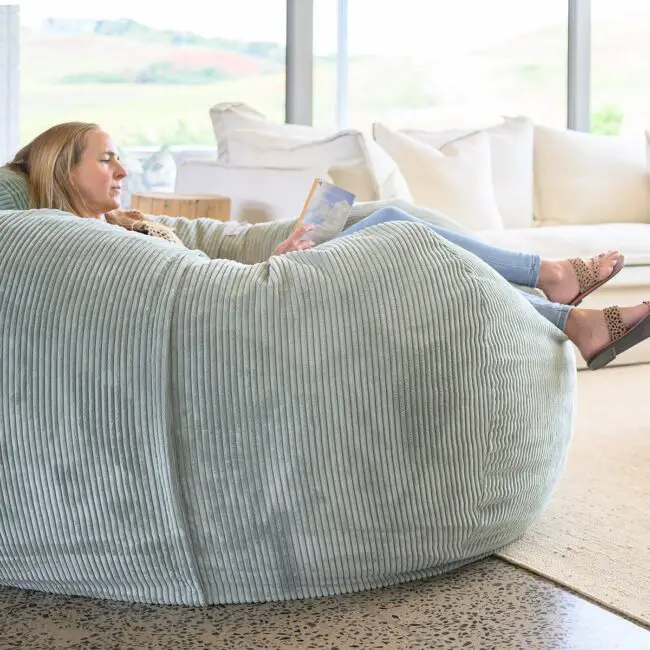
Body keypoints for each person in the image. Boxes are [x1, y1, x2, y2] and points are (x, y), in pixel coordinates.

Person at [4, 121, 649, 370]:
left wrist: (285, 250)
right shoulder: (70, 241)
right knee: (401, 233)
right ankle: (561, 291)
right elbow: (173, 292)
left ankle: (570, 311)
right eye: (106, 159)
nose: (122, 170)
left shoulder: (121, 224)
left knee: (400, 227)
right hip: (237, 312)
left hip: (250, 287)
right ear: (63, 170)